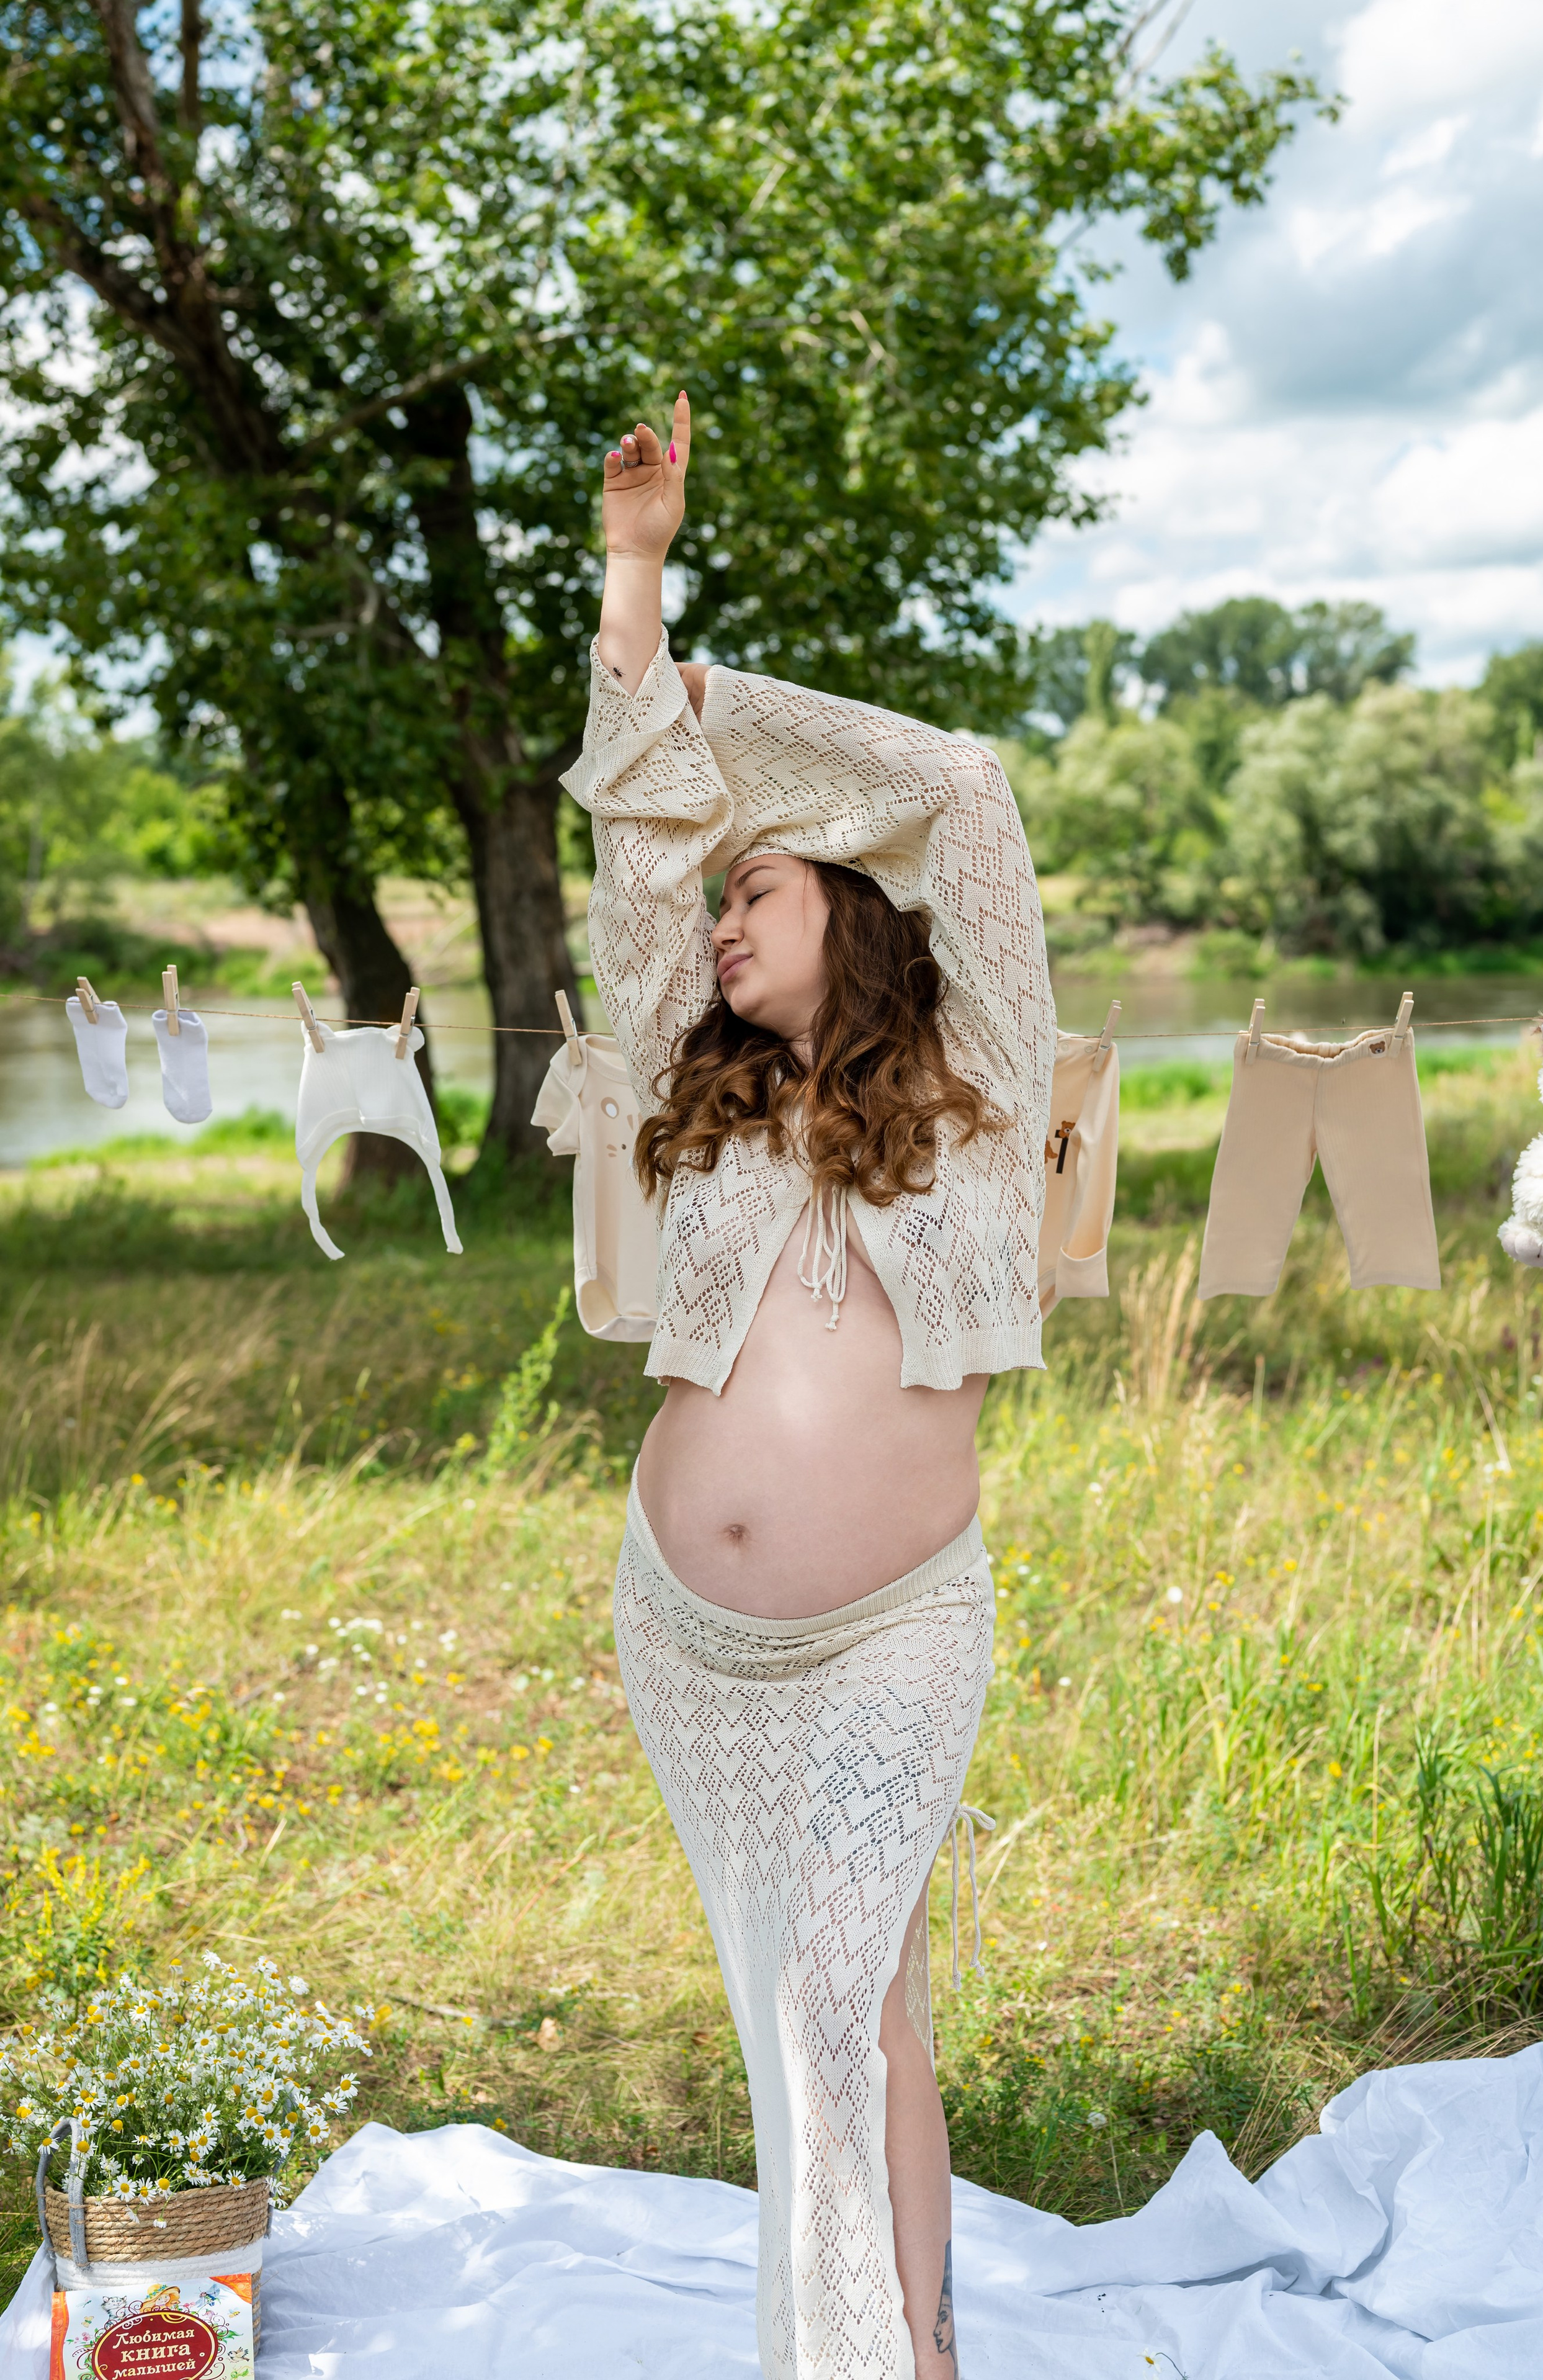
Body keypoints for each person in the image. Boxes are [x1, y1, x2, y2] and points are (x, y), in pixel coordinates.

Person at [563, 390, 1056, 2380]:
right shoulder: (699, 1084)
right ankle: (915, 2340)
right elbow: (636, 851)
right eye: (718, 905)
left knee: (832, 1995)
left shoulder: (983, 1072)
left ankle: (867, 2361)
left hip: (894, 1624)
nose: (715, 925)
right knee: (832, 2009)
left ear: (849, 898)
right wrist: (636, 582)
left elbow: (967, 786)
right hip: (689, 1633)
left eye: (753, 892)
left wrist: (727, 714)